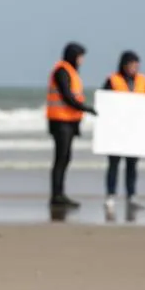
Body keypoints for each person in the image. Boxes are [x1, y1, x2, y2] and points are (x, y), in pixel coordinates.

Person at [46, 43, 96, 208]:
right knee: (61, 158)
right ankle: (57, 195)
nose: (82, 60)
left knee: (65, 158)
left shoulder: (71, 72)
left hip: (69, 121)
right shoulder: (62, 71)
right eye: (80, 56)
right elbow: (67, 96)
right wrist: (86, 108)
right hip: (61, 121)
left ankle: (60, 193)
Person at [102, 51, 145, 214]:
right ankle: (110, 195)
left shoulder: (143, 81)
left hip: (134, 129)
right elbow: (104, 102)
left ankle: (131, 196)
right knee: (113, 163)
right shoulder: (113, 80)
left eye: (136, 65)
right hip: (116, 129)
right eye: (131, 64)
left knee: (132, 164)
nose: (134, 68)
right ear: (123, 65)